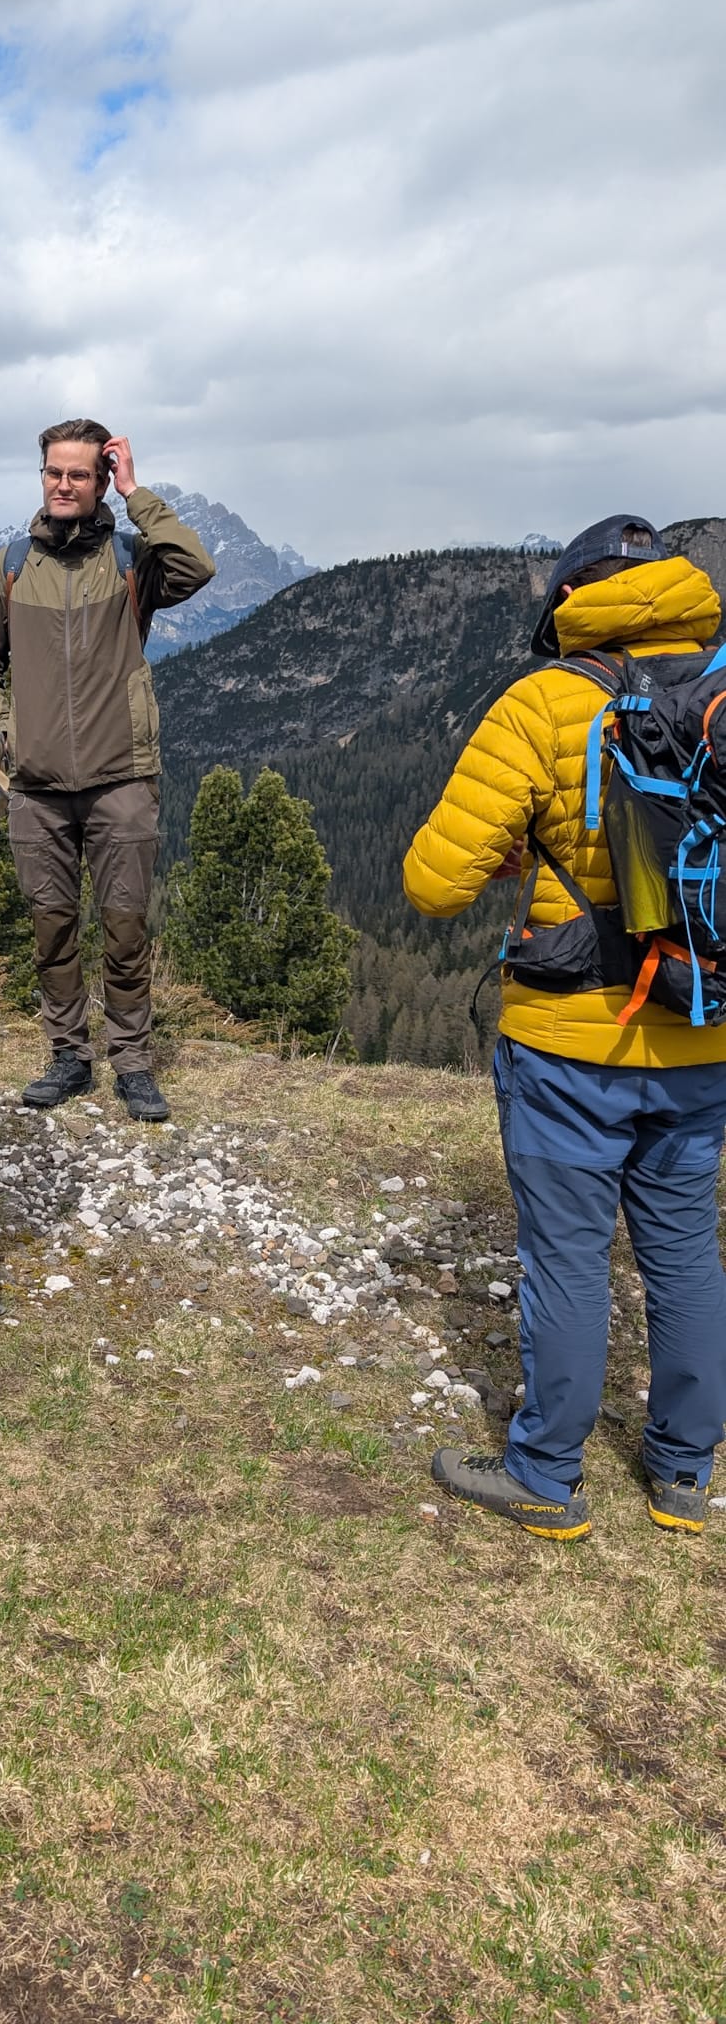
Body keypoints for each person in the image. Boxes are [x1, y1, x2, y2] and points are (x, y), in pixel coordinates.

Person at [404, 515, 726, 1540]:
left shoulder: (546, 699)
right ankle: (682, 1473)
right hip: (702, 1026)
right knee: (683, 1253)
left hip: (567, 1039)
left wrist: (524, 850)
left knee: (568, 1256)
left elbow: (430, 882)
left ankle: (545, 1475)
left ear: (573, 599)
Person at [0, 418, 216, 1120]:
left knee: (126, 928)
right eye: (52, 472)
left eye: (78, 473)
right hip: (36, 788)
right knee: (52, 929)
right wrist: (5, 734)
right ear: (41, 477)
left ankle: (132, 1062)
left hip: (122, 779)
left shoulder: (133, 557)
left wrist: (137, 492)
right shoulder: (9, 566)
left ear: (99, 481)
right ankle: (68, 1056)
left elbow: (197, 567)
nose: (63, 484)